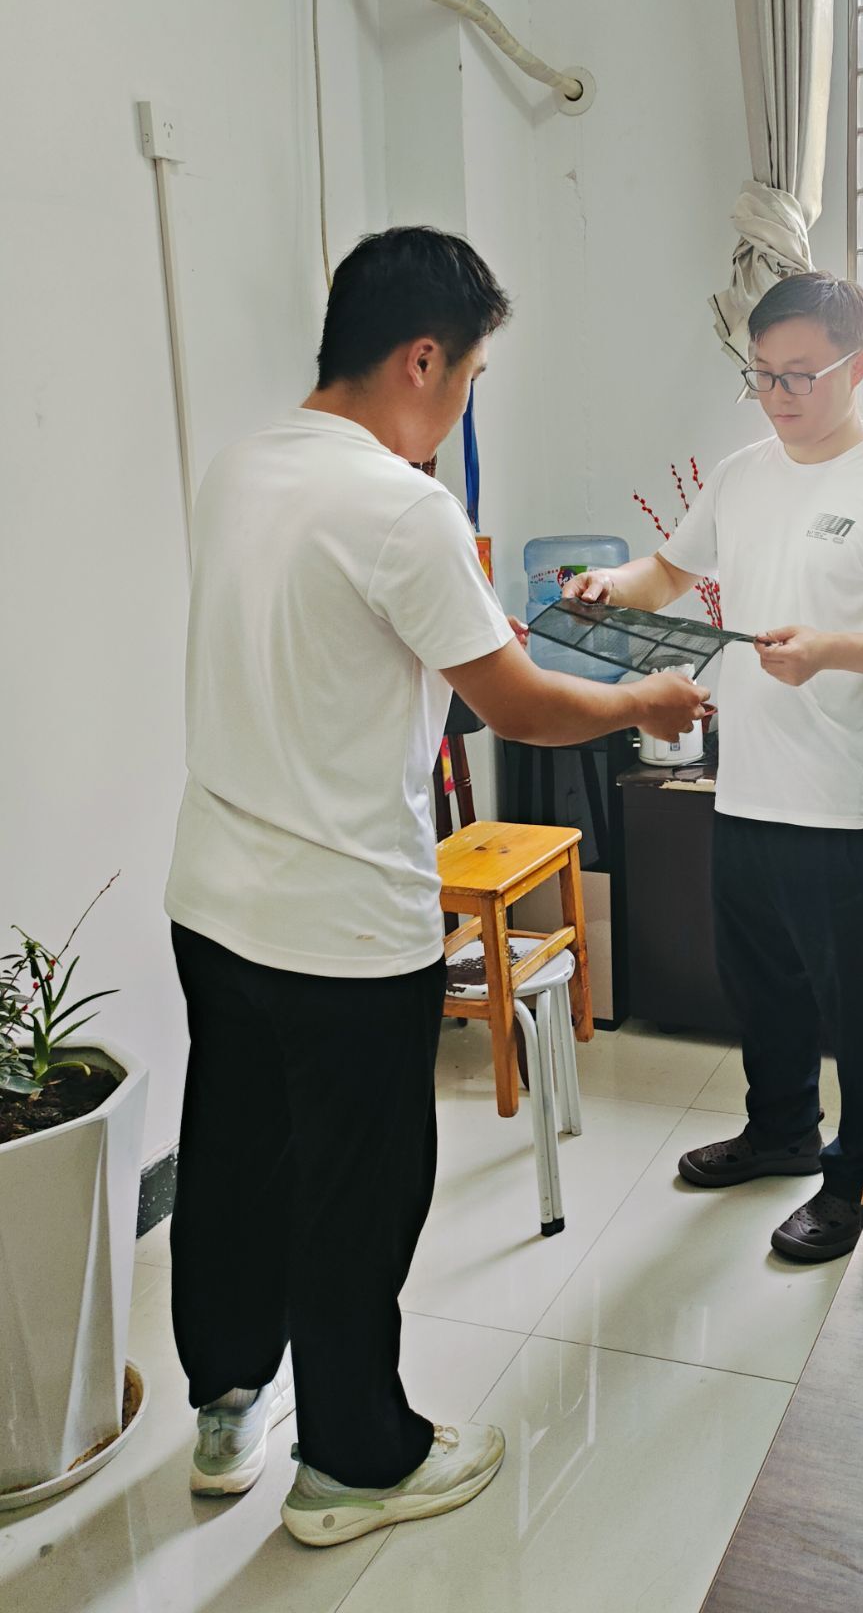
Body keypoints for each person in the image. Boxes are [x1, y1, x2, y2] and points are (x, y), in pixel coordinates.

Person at [163, 227, 706, 1547]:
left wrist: (455, 629)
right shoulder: (403, 507)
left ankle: (228, 1407)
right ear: (420, 359)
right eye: (467, 376)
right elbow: (520, 707)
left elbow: (327, 648)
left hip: (215, 899)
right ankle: (355, 1463)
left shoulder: (243, 465)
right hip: (343, 926)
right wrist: (641, 700)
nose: (462, 400)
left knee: (234, 1159)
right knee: (358, 1192)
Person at [566, 272, 863, 1263]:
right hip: (744, 787)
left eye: (800, 376)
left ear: (857, 368)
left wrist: (829, 649)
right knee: (761, 981)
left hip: (840, 799)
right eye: (763, 375)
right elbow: (671, 570)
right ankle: (780, 1130)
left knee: (857, 1004)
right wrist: (613, 584)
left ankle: (854, 1173)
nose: (779, 395)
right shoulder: (742, 474)